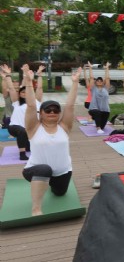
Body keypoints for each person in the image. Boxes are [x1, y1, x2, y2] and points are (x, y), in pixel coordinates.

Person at [22, 65, 81, 216]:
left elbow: (70, 106)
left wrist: (75, 83)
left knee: (60, 193)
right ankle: (36, 208)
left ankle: (45, 183)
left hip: (62, 172)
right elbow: (30, 105)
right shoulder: (33, 128)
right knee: (44, 170)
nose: (52, 112)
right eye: (48, 110)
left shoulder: (64, 127)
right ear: (40, 114)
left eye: (55, 110)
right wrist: (29, 82)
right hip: (34, 169)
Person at [3, 64, 45, 160]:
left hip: (30, 131)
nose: (25, 94)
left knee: (29, 148)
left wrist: (39, 75)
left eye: (27, 92)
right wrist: (8, 75)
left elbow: (40, 88)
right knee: (22, 131)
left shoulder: (37, 101)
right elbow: (11, 88)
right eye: (22, 92)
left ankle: (29, 147)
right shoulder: (16, 102)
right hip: (15, 127)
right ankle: (22, 155)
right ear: (20, 94)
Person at [87, 62, 111, 134]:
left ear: (103, 82)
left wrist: (107, 68)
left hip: (105, 110)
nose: (99, 81)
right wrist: (90, 67)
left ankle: (98, 123)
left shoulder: (106, 88)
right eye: (98, 81)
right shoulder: (93, 88)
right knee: (97, 112)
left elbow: (107, 78)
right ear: (96, 82)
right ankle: (98, 128)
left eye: (101, 81)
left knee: (103, 126)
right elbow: (91, 78)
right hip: (94, 109)